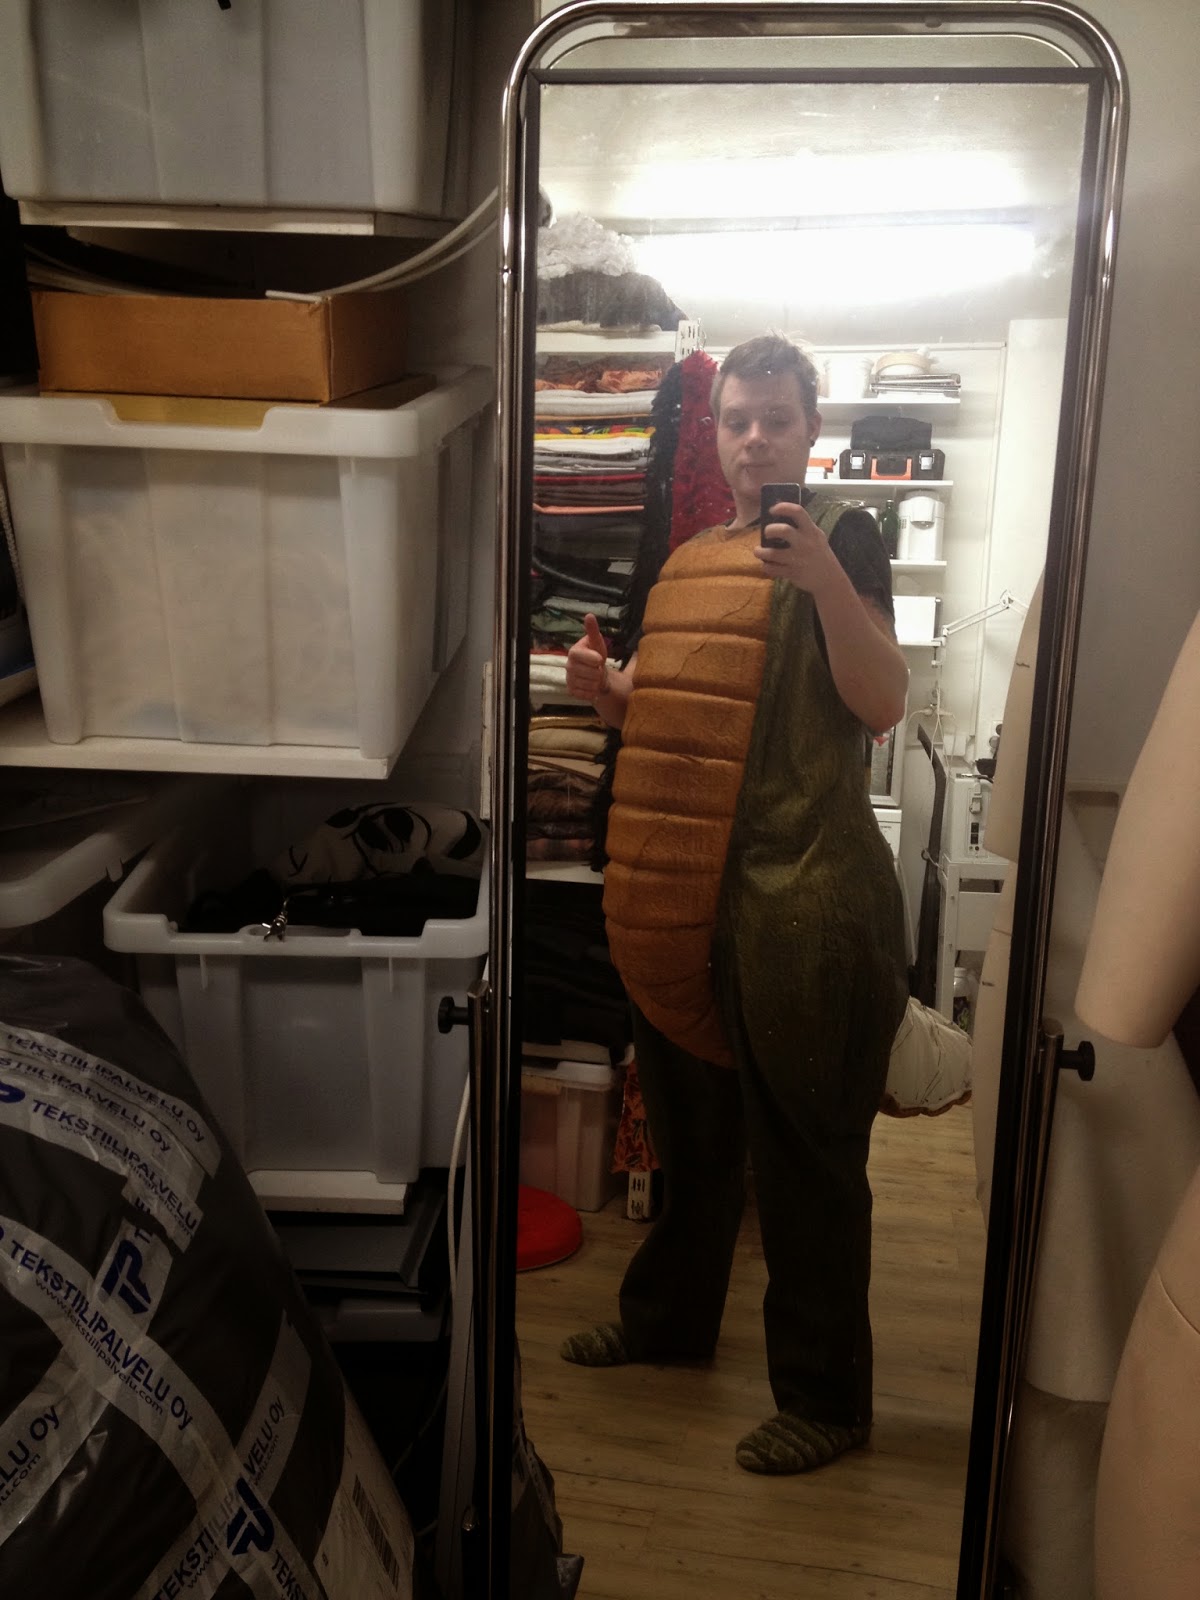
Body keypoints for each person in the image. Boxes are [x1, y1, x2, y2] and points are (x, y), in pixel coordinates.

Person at [560, 334, 910, 1475]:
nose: (754, 440)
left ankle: (827, 1399)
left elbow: (882, 701)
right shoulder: (695, 555)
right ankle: (669, 1323)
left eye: (776, 419)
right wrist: (611, 695)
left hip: (803, 901)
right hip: (692, 894)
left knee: (807, 1160)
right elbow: (687, 719)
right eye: (736, 421)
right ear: (714, 434)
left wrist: (823, 584)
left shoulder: (844, 535)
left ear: (813, 428)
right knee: (691, 1138)